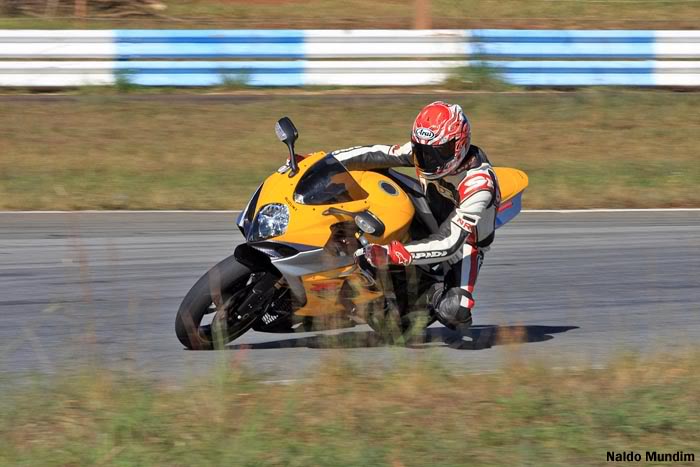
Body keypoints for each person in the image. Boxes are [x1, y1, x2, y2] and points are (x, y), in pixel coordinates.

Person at [331, 101, 500, 331]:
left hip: (463, 243)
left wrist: (393, 254)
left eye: (436, 153)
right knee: (377, 174)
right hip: (428, 211)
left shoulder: (479, 184)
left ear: (458, 145)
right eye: (421, 151)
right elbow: (379, 153)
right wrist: (326, 161)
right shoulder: (425, 151)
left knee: (454, 311)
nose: (427, 159)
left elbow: (450, 243)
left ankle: (431, 293)